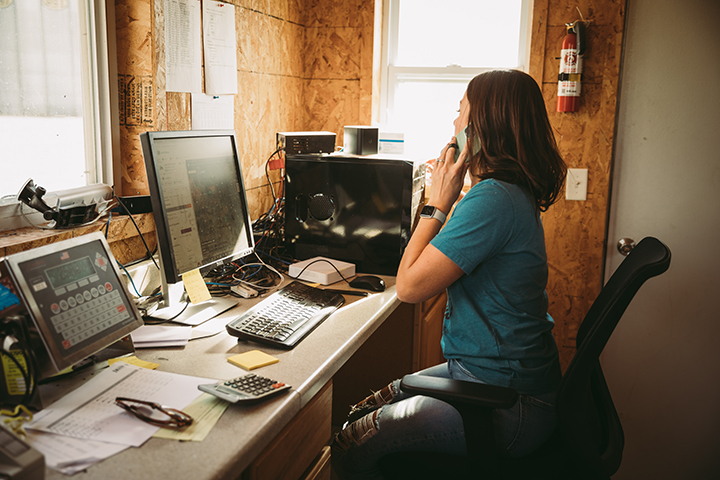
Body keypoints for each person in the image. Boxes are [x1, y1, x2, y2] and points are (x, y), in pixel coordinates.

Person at [331, 69, 567, 480]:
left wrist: (437, 204)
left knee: (354, 438)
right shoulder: (505, 192)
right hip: (500, 381)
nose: (454, 124)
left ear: (480, 129)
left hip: (508, 405)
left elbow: (407, 287)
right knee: (372, 402)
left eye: (460, 114)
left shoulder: (492, 199)